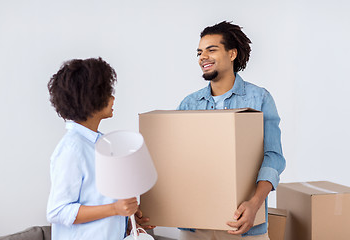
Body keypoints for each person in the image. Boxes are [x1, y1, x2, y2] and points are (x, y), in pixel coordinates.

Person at [177, 21, 286, 239]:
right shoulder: (189, 104)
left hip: (244, 223)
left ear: (232, 54)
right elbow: (178, 162)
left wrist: (255, 204)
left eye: (211, 50)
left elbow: (273, 157)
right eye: (199, 52)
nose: (203, 57)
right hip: (196, 226)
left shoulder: (259, 99)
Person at [46, 58, 153, 240]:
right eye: (107, 92)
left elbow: (100, 201)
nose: (113, 98)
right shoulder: (72, 148)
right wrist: (114, 209)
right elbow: (58, 211)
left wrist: (127, 218)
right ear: (90, 98)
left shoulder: (101, 144)